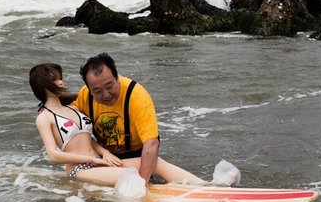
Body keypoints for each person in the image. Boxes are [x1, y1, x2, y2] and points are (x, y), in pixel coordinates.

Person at [29, 62, 204, 186]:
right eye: (55, 80)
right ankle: (156, 197)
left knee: (154, 163)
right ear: (42, 85)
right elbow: (53, 155)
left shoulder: (73, 108)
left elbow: (88, 141)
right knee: (131, 175)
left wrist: (104, 153)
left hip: (99, 161)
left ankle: (207, 186)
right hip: (80, 169)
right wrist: (91, 159)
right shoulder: (44, 117)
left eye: (60, 78)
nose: (61, 82)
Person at [74, 53, 203, 185]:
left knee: (156, 166)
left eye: (109, 86)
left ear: (117, 78)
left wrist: (142, 184)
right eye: (97, 91)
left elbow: (151, 143)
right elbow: (68, 122)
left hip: (137, 155)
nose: (106, 94)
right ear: (89, 89)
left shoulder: (136, 95)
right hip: (106, 157)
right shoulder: (84, 96)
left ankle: (206, 187)